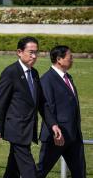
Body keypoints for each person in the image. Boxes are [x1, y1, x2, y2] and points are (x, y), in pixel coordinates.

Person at [0, 36, 64, 178]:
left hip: (28, 129)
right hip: (16, 130)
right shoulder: (10, 72)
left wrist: (53, 124)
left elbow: (41, 102)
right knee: (29, 170)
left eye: (36, 52)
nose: (34, 56)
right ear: (19, 52)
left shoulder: (34, 73)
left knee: (13, 169)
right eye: (31, 52)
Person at [37, 45, 86, 178]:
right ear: (59, 59)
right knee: (40, 172)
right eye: (70, 57)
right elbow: (47, 107)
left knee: (80, 173)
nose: (72, 59)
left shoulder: (68, 77)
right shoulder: (47, 80)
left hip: (73, 136)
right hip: (56, 137)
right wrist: (54, 129)